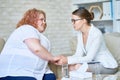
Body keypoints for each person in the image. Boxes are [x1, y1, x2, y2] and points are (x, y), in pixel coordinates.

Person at [55, 7, 118, 74]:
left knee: (77, 67)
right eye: (72, 20)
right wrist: (65, 58)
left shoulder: (96, 33)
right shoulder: (80, 33)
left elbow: (89, 58)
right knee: (68, 66)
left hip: (108, 66)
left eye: (74, 20)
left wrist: (67, 60)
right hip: (94, 63)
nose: (72, 23)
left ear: (84, 20)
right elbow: (78, 54)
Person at [0, 8, 58, 80]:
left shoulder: (42, 37)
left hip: (38, 72)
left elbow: (44, 57)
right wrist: (53, 58)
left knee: (51, 77)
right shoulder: (26, 28)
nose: (44, 22)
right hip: (16, 72)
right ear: (32, 19)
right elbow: (36, 49)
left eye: (45, 20)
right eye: (41, 19)